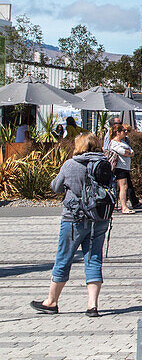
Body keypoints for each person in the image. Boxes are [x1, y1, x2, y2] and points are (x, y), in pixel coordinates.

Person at [30, 133, 113, 317]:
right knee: (94, 259)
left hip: (74, 218)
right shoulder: (104, 163)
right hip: (99, 219)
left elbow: (56, 187)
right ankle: (92, 306)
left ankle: (51, 302)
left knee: (64, 258)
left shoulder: (71, 164)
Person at [107, 125, 139, 213]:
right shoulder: (114, 143)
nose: (125, 132)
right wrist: (128, 153)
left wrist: (129, 153)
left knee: (122, 187)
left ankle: (118, 204)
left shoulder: (123, 142)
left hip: (125, 167)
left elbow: (131, 151)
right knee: (123, 186)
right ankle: (124, 207)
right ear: (118, 132)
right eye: (123, 131)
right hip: (119, 167)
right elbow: (123, 152)